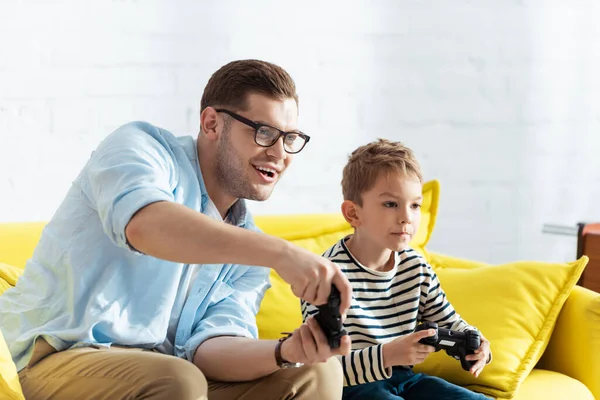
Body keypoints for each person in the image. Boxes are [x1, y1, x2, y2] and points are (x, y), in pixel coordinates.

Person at [0, 59, 353, 400]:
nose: (280, 153)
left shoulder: (250, 249)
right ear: (212, 123)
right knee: (177, 379)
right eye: (264, 133)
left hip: (166, 375)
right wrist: (281, 253)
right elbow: (147, 225)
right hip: (50, 358)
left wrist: (284, 351)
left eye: (289, 138)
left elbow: (209, 348)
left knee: (317, 373)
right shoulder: (140, 148)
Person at [301, 139, 492, 400]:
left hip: (405, 379)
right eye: (391, 204)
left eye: (415, 205)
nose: (407, 217)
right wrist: (387, 355)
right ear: (353, 214)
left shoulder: (416, 267)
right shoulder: (326, 277)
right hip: (348, 388)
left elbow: (451, 322)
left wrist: (478, 344)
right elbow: (319, 369)